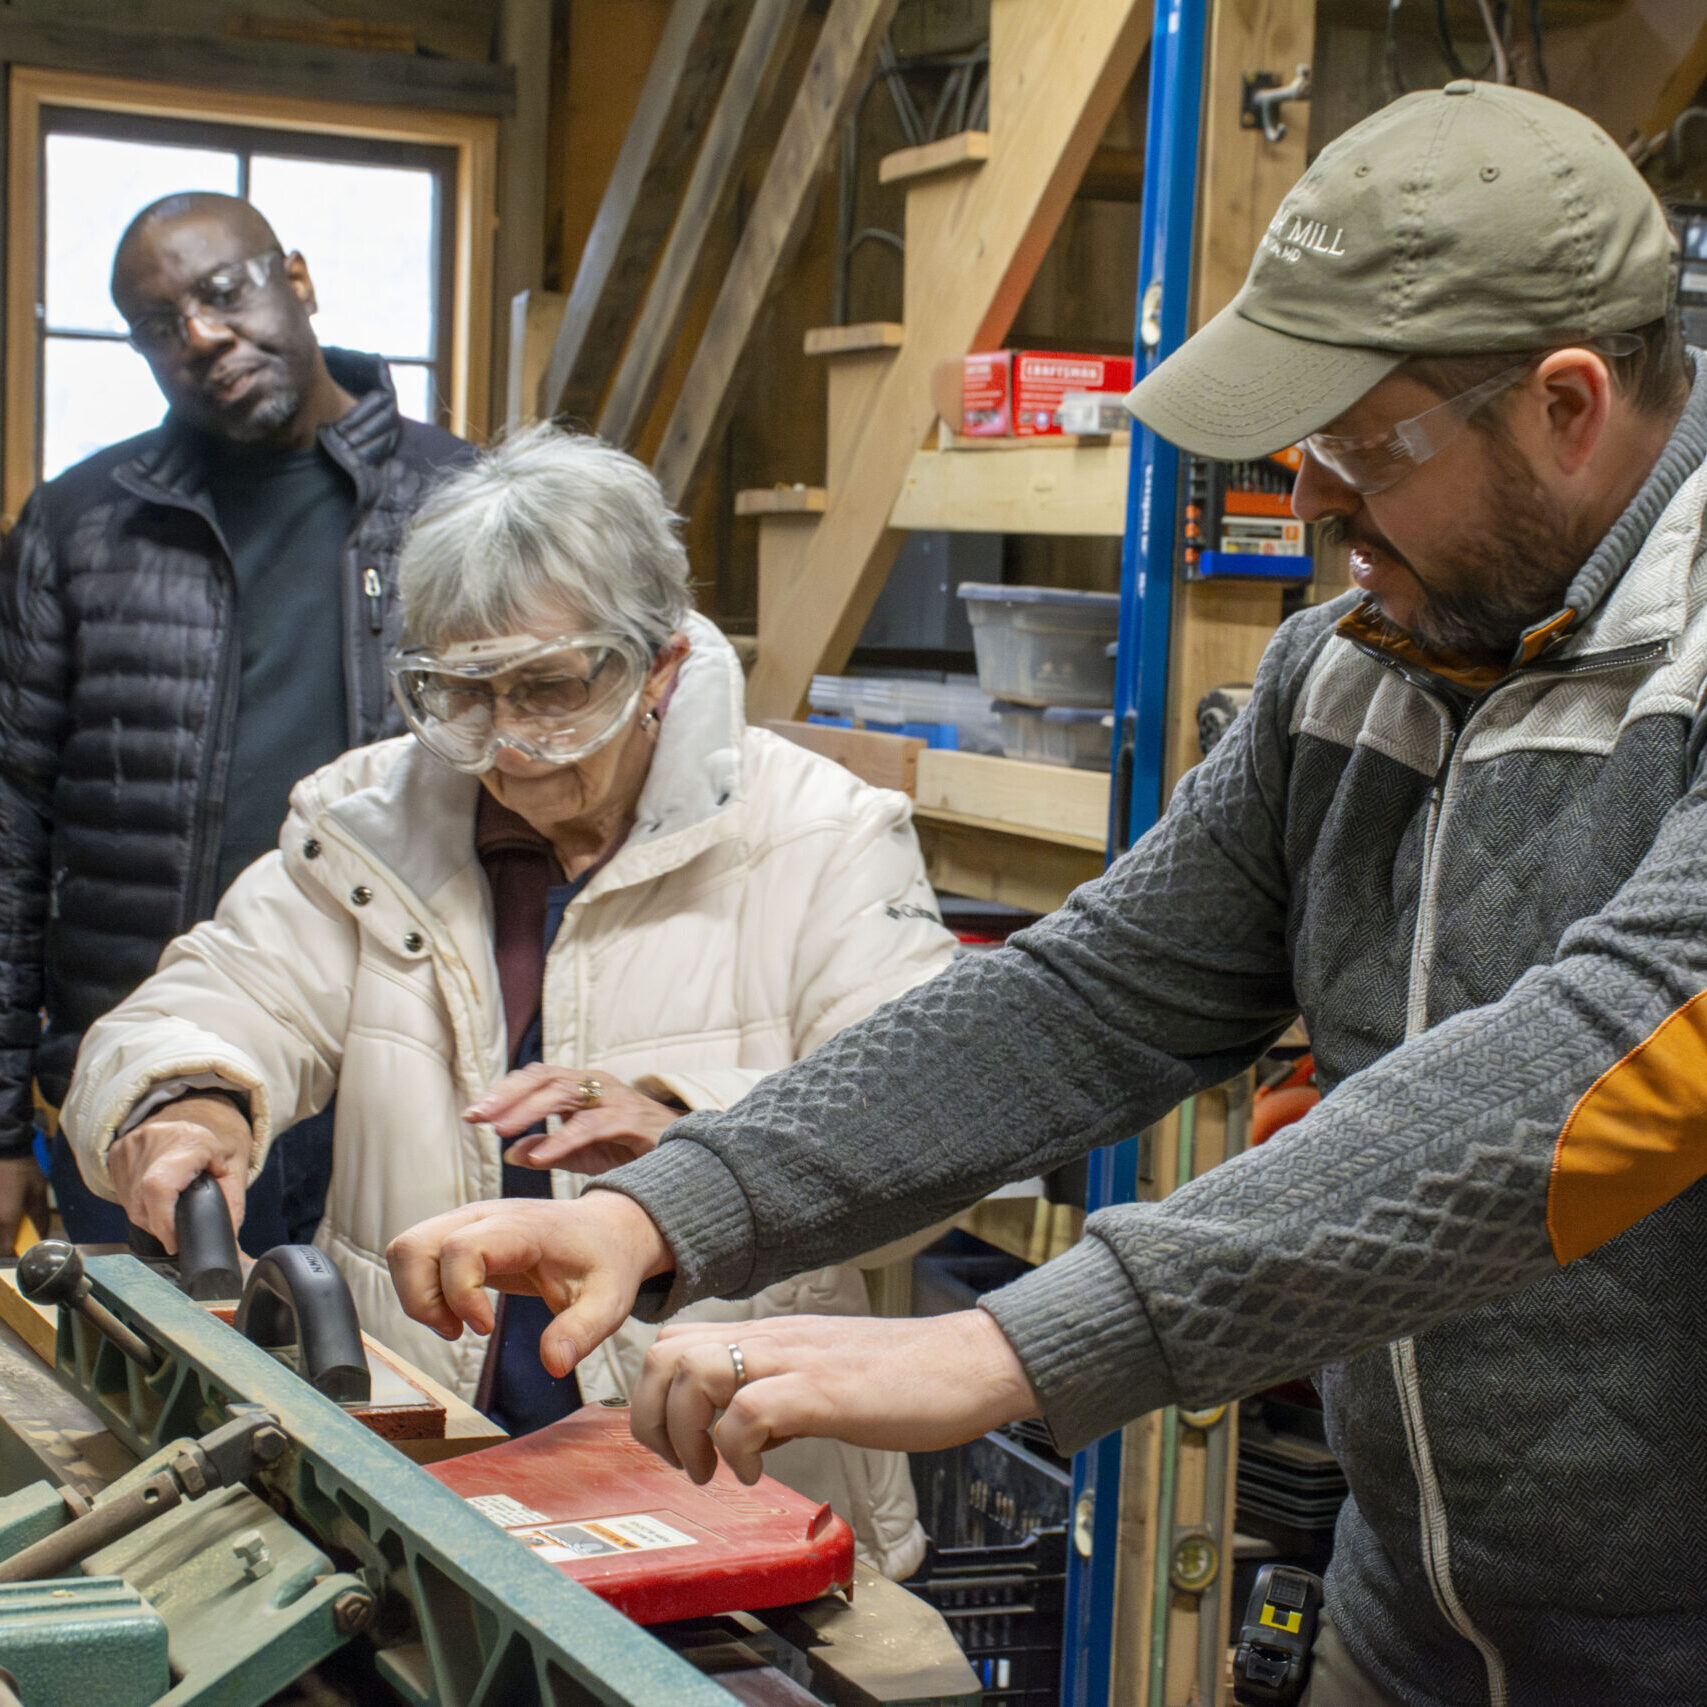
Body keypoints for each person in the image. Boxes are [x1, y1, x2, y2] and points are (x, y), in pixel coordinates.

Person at [388, 84, 1707, 1707]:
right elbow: (1084, 998)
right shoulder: (1344, 671)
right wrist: (666, 1204)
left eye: (1359, 445)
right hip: (1409, 1640)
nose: (1308, 499)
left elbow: (1600, 1063)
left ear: (1565, 406)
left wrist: (1013, 1341)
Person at [62, 425, 959, 1578]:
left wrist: (696, 1136)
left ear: (660, 667)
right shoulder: (368, 825)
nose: (509, 747)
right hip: (419, 1458)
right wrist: (186, 1101)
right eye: (461, 694)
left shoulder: (826, 837)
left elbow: (926, 1148)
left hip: (731, 1483)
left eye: (550, 690)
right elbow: (219, 997)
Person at [0, 191, 471, 1253]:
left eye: (223, 291)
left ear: (296, 279)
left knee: (392, 1361)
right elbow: (11, 829)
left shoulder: (462, 503)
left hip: (399, 1087)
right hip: (145, 1093)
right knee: (150, 1363)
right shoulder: (79, 525)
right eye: (159, 324)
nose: (203, 335)